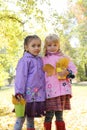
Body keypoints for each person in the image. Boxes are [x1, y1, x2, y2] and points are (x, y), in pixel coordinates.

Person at [42, 34, 77, 130]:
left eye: (55, 45)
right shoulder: (44, 59)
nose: (52, 47)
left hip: (62, 90)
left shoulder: (64, 57)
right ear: (46, 46)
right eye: (49, 45)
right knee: (49, 114)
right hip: (50, 91)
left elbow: (73, 68)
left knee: (59, 115)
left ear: (58, 45)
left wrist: (68, 72)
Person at [14, 35, 46, 130]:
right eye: (33, 45)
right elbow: (20, 78)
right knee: (21, 118)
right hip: (24, 96)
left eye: (39, 45)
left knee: (31, 118)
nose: (37, 48)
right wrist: (19, 93)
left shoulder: (40, 60)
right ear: (26, 47)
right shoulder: (25, 61)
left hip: (35, 96)